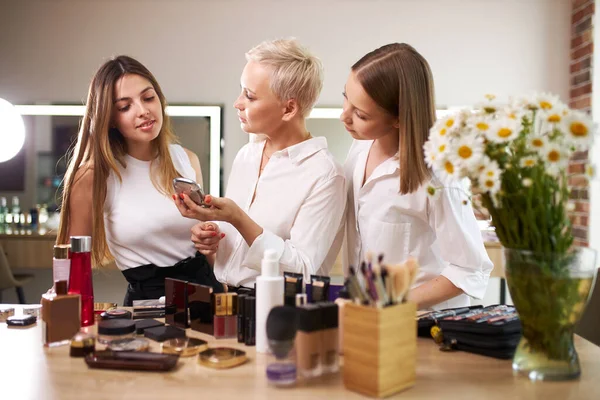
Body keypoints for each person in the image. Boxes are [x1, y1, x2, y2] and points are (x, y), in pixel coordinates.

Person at [174, 38, 346, 290]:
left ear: (289, 109)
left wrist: (238, 219)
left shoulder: (326, 175)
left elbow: (302, 268)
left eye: (250, 96)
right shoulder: (247, 155)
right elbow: (235, 253)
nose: (237, 103)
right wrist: (212, 237)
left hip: (283, 313)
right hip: (227, 300)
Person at [57, 55, 223, 305]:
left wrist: (210, 237)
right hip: (146, 308)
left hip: (207, 297)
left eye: (148, 98)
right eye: (125, 106)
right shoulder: (94, 176)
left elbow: (207, 246)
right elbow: (73, 265)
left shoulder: (186, 160)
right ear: (110, 117)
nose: (143, 111)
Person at [339, 43, 493, 310]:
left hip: (422, 325)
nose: (344, 116)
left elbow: (470, 270)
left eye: (361, 114)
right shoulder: (359, 150)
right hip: (371, 321)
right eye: (345, 98)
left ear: (398, 119)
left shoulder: (439, 179)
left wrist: (391, 303)